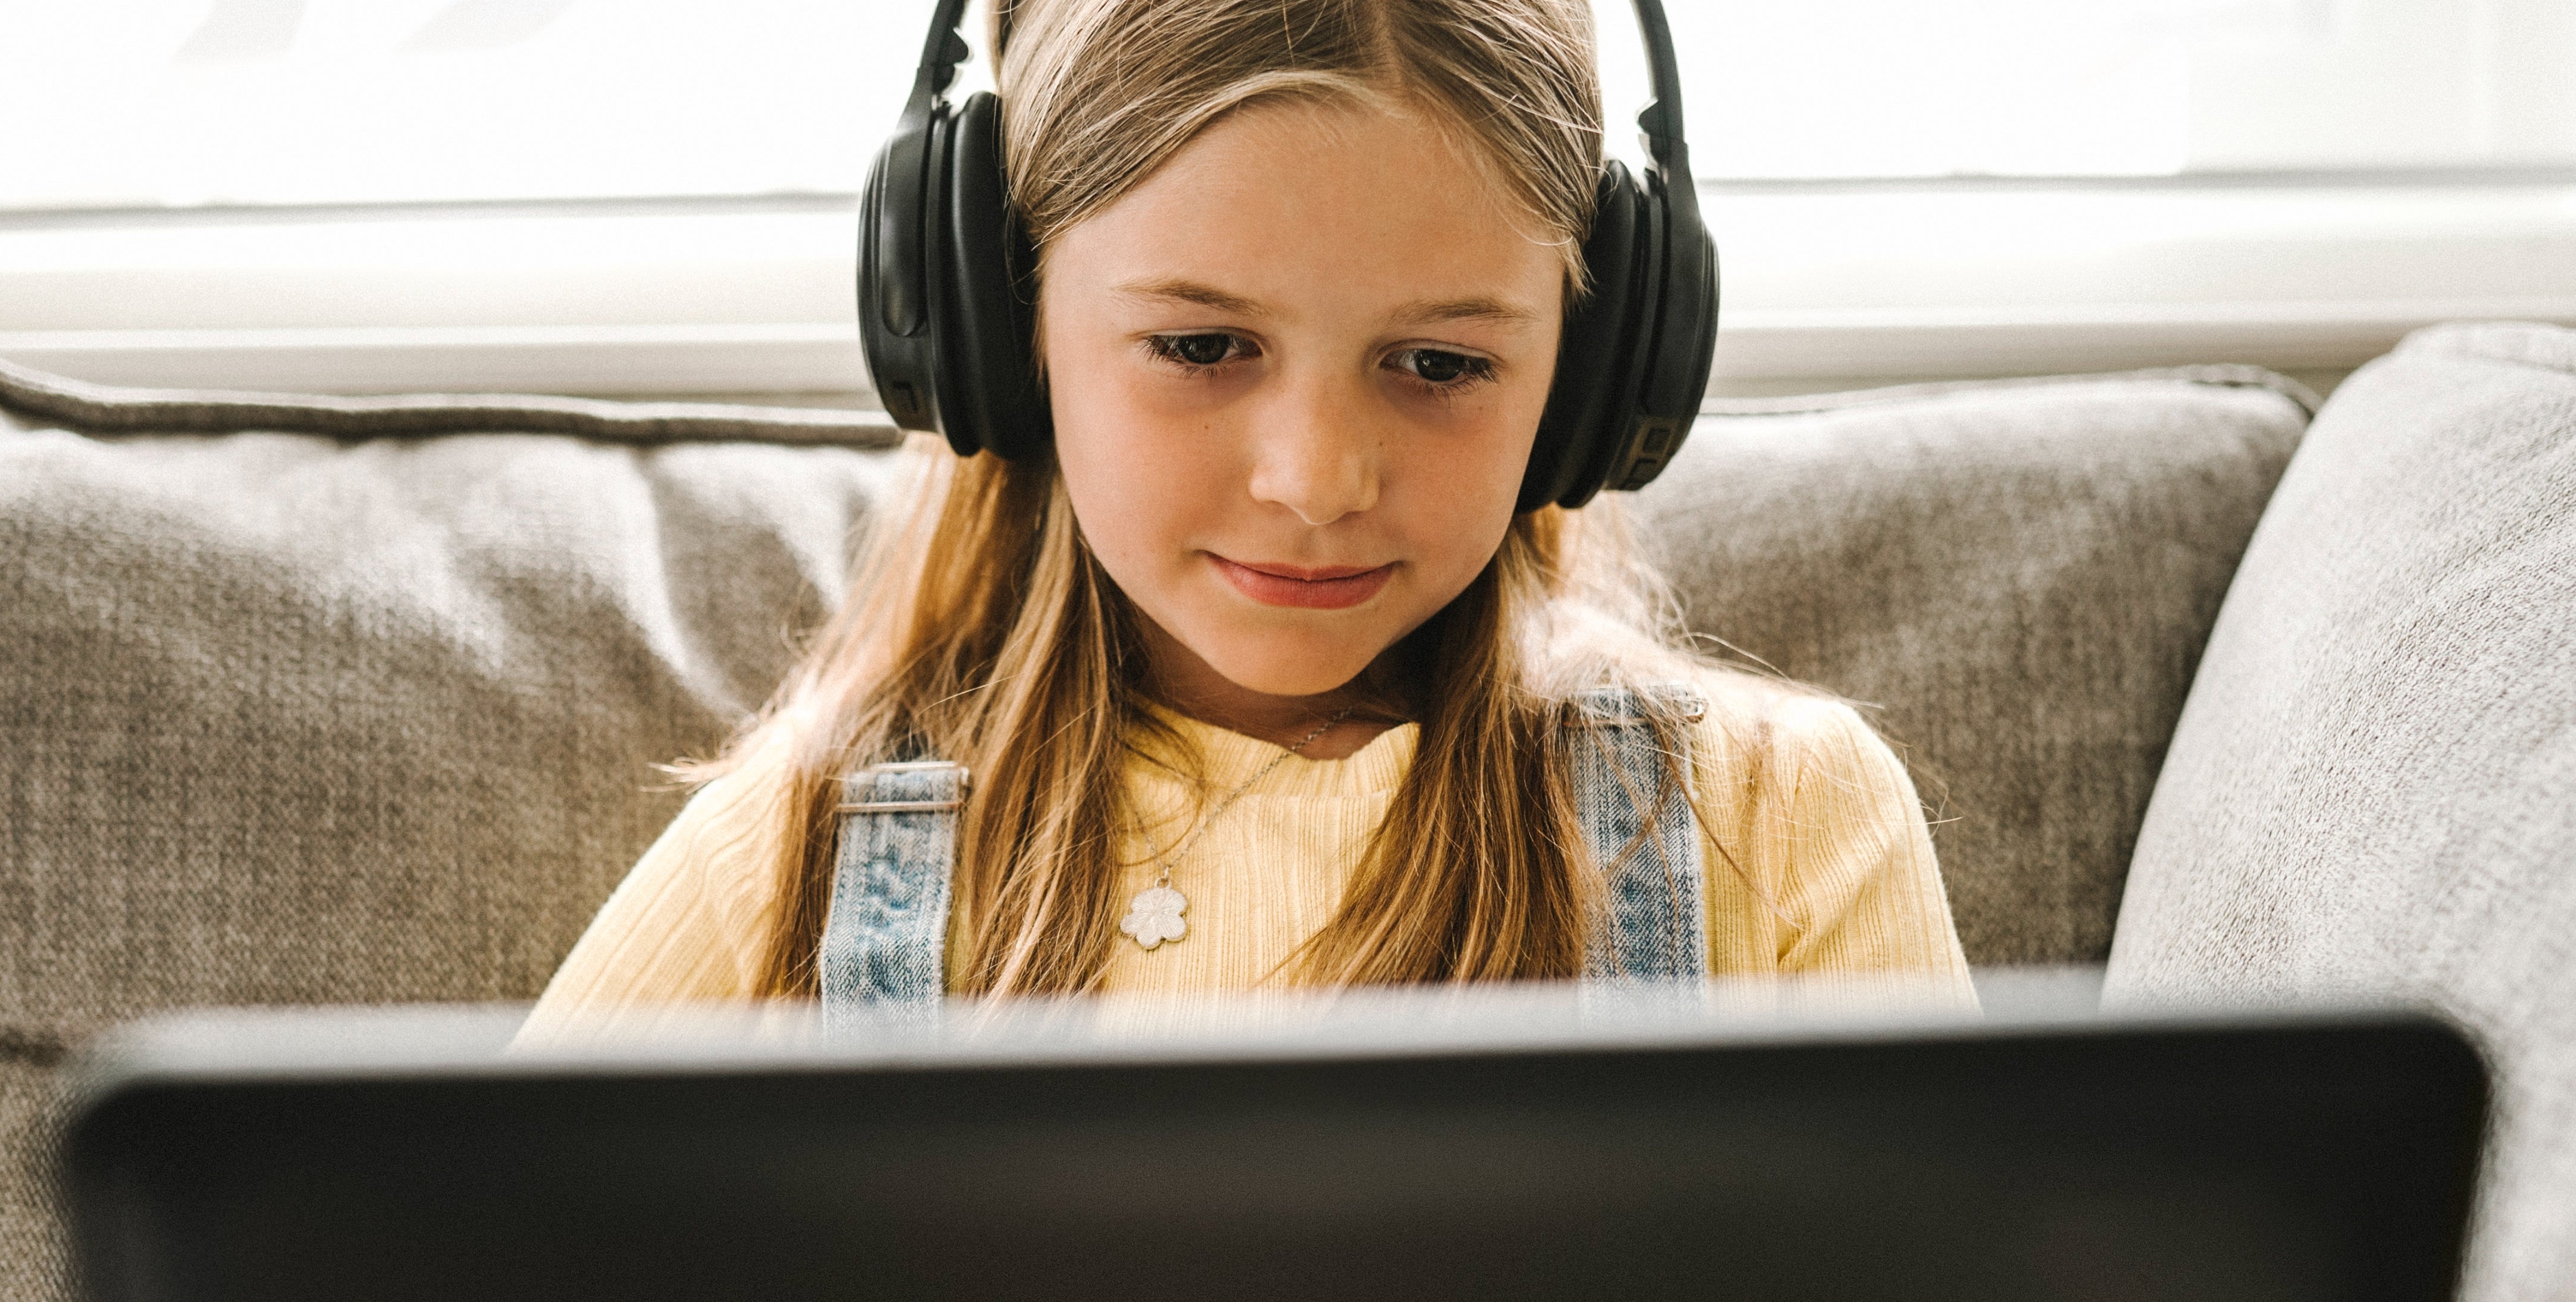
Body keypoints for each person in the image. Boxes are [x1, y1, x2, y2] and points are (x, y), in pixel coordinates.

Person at [526, 0, 1968, 1030]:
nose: (1317, 477)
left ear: (1593, 377)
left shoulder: (1783, 825)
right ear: (1000, 322)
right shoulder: (798, 861)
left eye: (1443, 364)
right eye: (1205, 348)